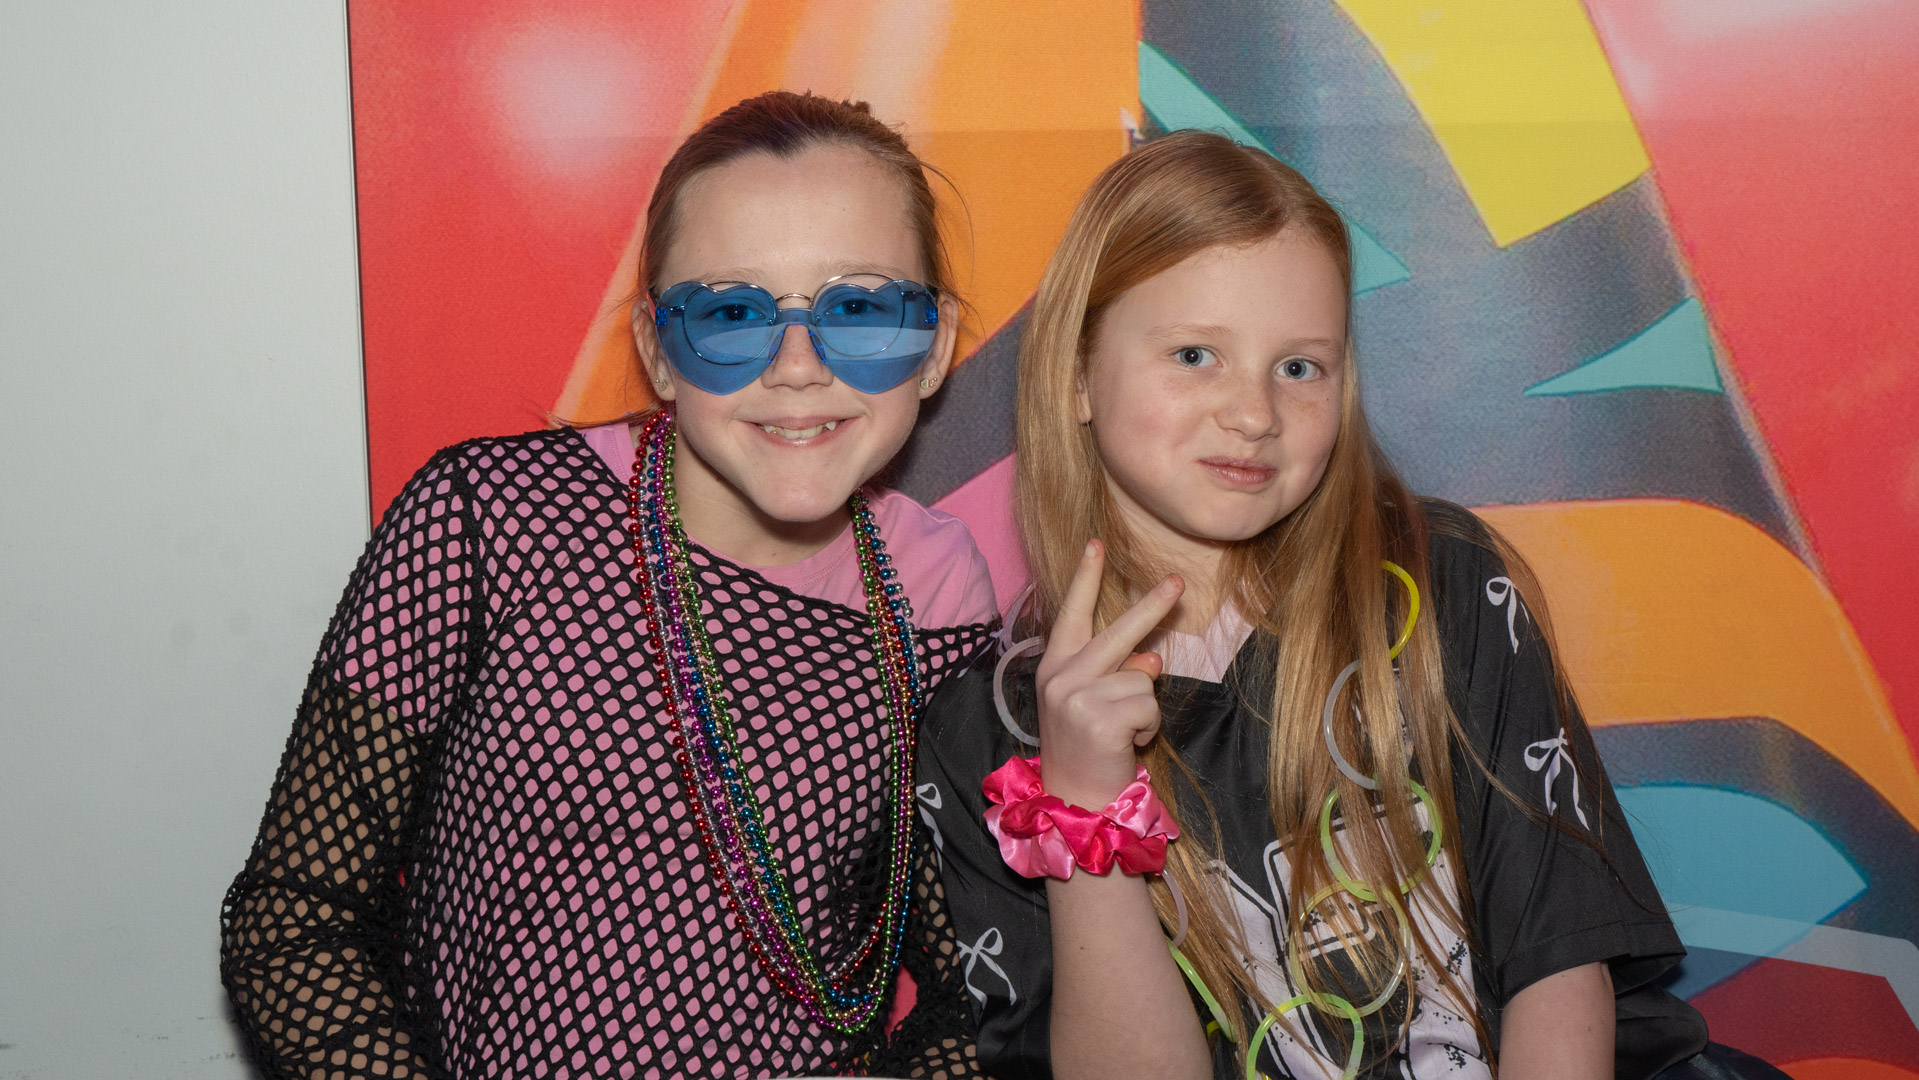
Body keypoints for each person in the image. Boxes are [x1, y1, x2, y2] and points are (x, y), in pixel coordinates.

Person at [918, 131, 1790, 1080]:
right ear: (1077, 374)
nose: (1254, 413)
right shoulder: (986, 730)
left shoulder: (1437, 584)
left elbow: (1557, 964)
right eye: (1195, 354)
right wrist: (1085, 806)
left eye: (1299, 367)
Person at [220, 91, 1000, 1080]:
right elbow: (294, 917)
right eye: (730, 314)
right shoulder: (491, 519)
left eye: (859, 310)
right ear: (657, 353)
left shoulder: (937, 591)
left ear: (934, 346)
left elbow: (972, 988)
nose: (797, 367)